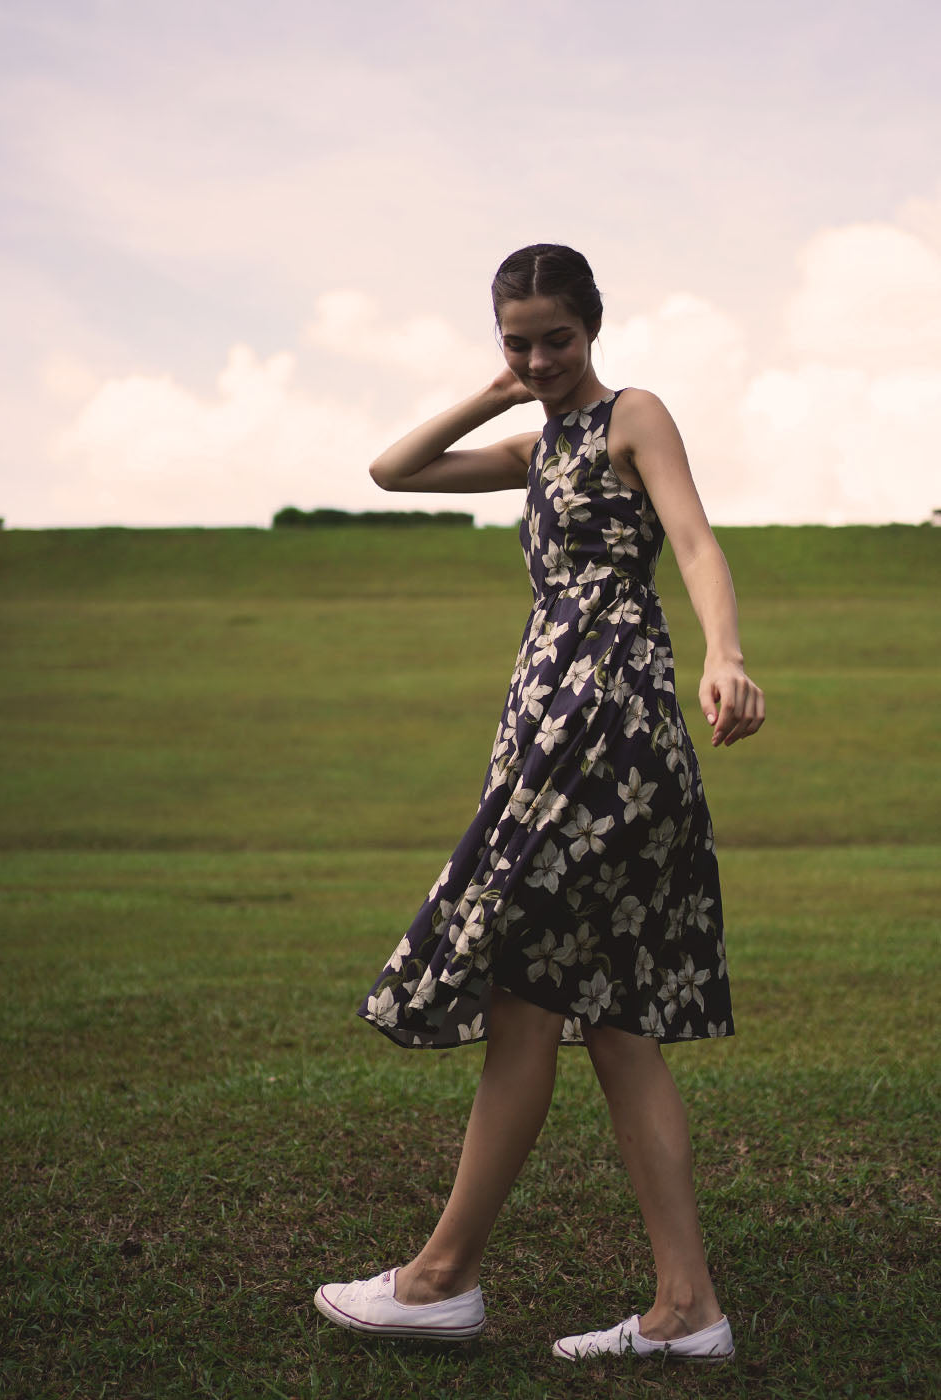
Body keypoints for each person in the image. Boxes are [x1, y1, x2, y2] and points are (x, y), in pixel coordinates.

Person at [314, 244, 764, 1363]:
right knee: (608, 1019)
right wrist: (495, 390)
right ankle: (685, 1307)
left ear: (591, 328)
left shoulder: (630, 415)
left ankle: (439, 1278)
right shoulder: (534, 443)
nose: (537, 357)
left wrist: (723, 653)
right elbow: (391, 470)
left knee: (525, 983)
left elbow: (696, 541)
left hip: (606, 715)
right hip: (544, 713)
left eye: (553, 338)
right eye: (516, 339)